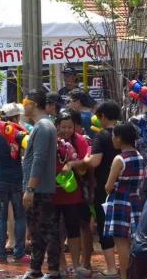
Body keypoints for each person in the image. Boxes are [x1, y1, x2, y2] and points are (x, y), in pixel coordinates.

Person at [22, 89, 61, 279]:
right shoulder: (40, 126)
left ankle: (53, 270)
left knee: (47, 230)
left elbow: (39, 159)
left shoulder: (44, 127)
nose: (23, 105)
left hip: (40, 188)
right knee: (37, 231)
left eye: (25, 101)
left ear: (34, 104)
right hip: (37, 187)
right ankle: (35, 268)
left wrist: (30, 188)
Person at [0, 104, 29, 264]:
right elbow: (24, 156)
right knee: (19, 217)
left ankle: (0, 255)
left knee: (0, 219)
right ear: (16, 118)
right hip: (17, 179)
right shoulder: (20, 135)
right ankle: (20, 253)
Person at [82, 101, 121, 278]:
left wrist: (84, 159)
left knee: (106, 227)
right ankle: (124, 267)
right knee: (123, 229)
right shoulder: (127, 132)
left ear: (103, 117)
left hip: (105, 187)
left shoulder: (103, 136)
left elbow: (95, 161)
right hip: (126, 186)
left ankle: (111, 268)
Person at [103, 123, 144, 279]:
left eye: (113, 135)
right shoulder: (139, 156)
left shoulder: (119, 159)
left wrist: (113, 186)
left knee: (121, 242)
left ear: (119, 138)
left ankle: (125, 275)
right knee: (133, 240)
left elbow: (107, 186)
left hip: (120, 202)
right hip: (135, 200)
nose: (112, 138)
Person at [55, 112, 90, 276]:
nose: (67, 130)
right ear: (57, 126)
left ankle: (76, 265)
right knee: (56, 231)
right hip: (53, 193)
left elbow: (86, 160)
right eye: (63, 127)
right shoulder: (51, 139)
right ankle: (61, 264)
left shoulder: (80, 140)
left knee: (73, 229)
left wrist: (71, 163)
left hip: (73, 193)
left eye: (70, 127)